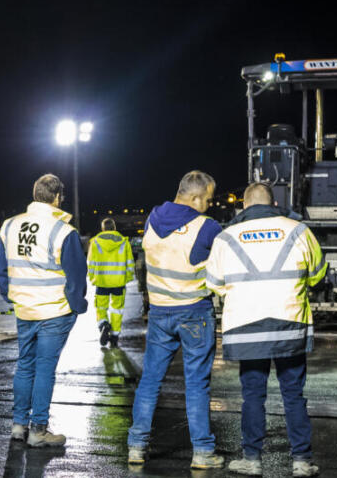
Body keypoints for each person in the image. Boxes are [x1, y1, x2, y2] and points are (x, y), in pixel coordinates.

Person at [206, 182, 323, 477]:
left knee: (253, 395)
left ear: (244, 205)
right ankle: (301, 462)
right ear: (274, 203)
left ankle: (252, 459)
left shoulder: (226, 237)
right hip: (289, 323)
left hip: (247, 326)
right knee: (293, 394)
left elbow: (214, 284)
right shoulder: (298, 230)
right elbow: (318, 274)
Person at [128, 170, 223, 469]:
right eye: (207, 199)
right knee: (197, 383)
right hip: (194, 311)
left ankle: (136, 447)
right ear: (195, 197)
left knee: (150, 381)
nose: (209, 204)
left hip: (159, 312)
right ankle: (203, 453)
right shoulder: (206, 227)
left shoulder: (152, 220)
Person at [0, 173, 87, 447]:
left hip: (25, 308)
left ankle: (18, 426)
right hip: (54, 311)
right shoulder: (63, 230)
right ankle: (38, 430)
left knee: (25, 366)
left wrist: (11, 297)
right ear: (58, 197)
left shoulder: (9, 227)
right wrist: (77, 306)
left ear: (35, 194)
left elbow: (3, 270)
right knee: (45, 369)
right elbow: (76, 276)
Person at [87, 217, 135, 348]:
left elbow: (90, 262)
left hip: (101, 281)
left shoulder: (95, 242)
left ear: (103, 229)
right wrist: (129, 277)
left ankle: (103, 324)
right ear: (114, 228)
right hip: (119, 282)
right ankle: (114, 336)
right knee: (117, 310)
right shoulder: (124, 242)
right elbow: (130, 263)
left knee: (100, 307)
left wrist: (92, 277)